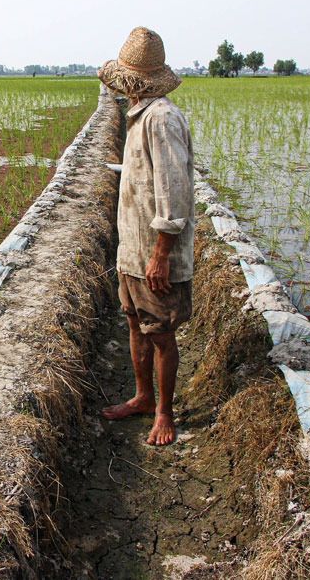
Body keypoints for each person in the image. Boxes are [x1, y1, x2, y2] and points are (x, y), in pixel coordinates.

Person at [96, 26, 195, 446]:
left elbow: (175, 195)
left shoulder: (161, 119)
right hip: (131, 251)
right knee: (136, 325)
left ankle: (163, 413)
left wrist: (161, 255)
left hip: (154, 254)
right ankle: (141, 397)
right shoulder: (138, 115)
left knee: (160, 334)